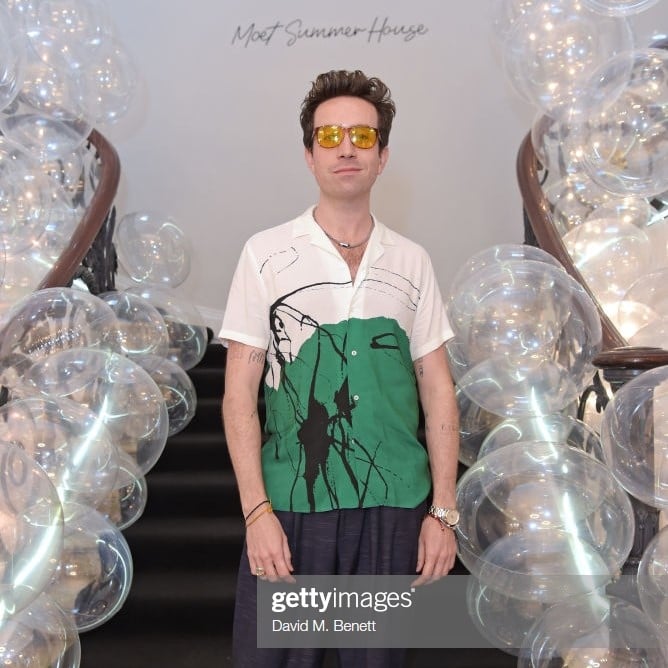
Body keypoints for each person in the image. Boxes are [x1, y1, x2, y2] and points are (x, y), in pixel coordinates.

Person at [220, 69, 460, 668]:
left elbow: (438, 392)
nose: (346, 148)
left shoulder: (413, 261)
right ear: (308, 155)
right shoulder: (265, 255)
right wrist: (256, 513)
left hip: (396, 506)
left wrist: (444, 513)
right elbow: (238, 398)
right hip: (292, 504)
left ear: (382, 156)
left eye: (361, 136)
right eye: (329, 137)